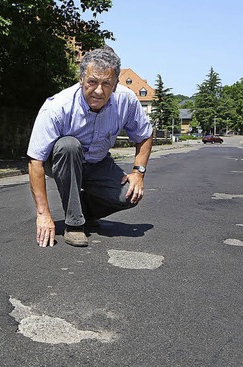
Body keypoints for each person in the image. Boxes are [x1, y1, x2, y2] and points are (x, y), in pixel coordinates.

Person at [26, 47, 153, 247]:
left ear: (116, 84)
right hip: (62, 160)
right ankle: (74, 224)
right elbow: (35, 161)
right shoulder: (58, 107)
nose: (98, 91)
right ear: (81, 79)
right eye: (92, 82)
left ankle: (82, 208)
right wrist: (43, 214)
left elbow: (144, 135)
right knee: (69, 145)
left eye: (106, 83)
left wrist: (138, 172)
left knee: (129, 196)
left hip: (98, 162)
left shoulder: (126, 101)